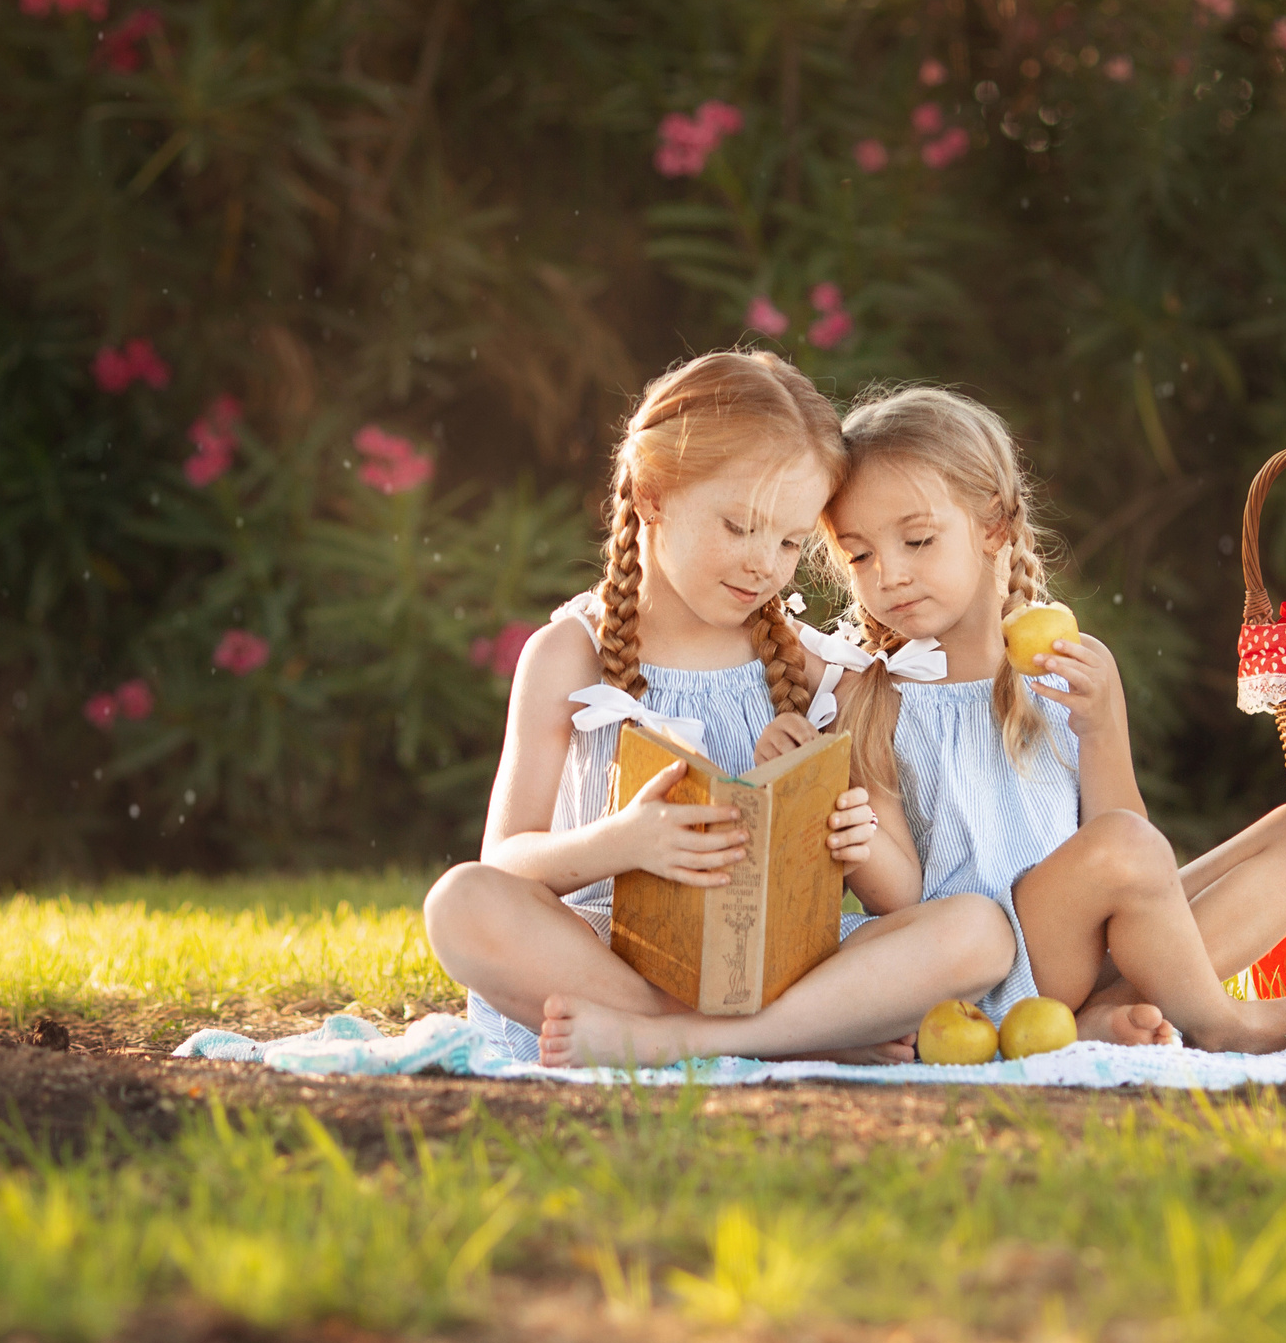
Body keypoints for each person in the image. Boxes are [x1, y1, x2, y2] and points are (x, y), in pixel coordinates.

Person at [424, 352, 1015, 1068]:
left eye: (792, 540)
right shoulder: (567, 656)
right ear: (652, 494)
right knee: (460, 902)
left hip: (780, 970)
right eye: (740, 525)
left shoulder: (822, 670)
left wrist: (840, 820)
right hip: (606, 962)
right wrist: (624, 842)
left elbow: (900, 892)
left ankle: (685, 1042)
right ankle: (773, 1037)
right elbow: (507, 860)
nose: (765, 563)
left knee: (980, 930)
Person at [780, 384, 1286, 1053]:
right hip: (981, 966)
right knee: (1124, 854)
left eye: (918, 539)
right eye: (861, 555)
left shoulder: (1062, 668)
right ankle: (1222, 1022)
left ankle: (1087, 1021)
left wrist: (1102, 728)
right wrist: (844, 824)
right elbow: (898, 903)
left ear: (992, 526)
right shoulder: (871, 696)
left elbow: (1139, 850)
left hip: (1090, 938)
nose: (890, 574)